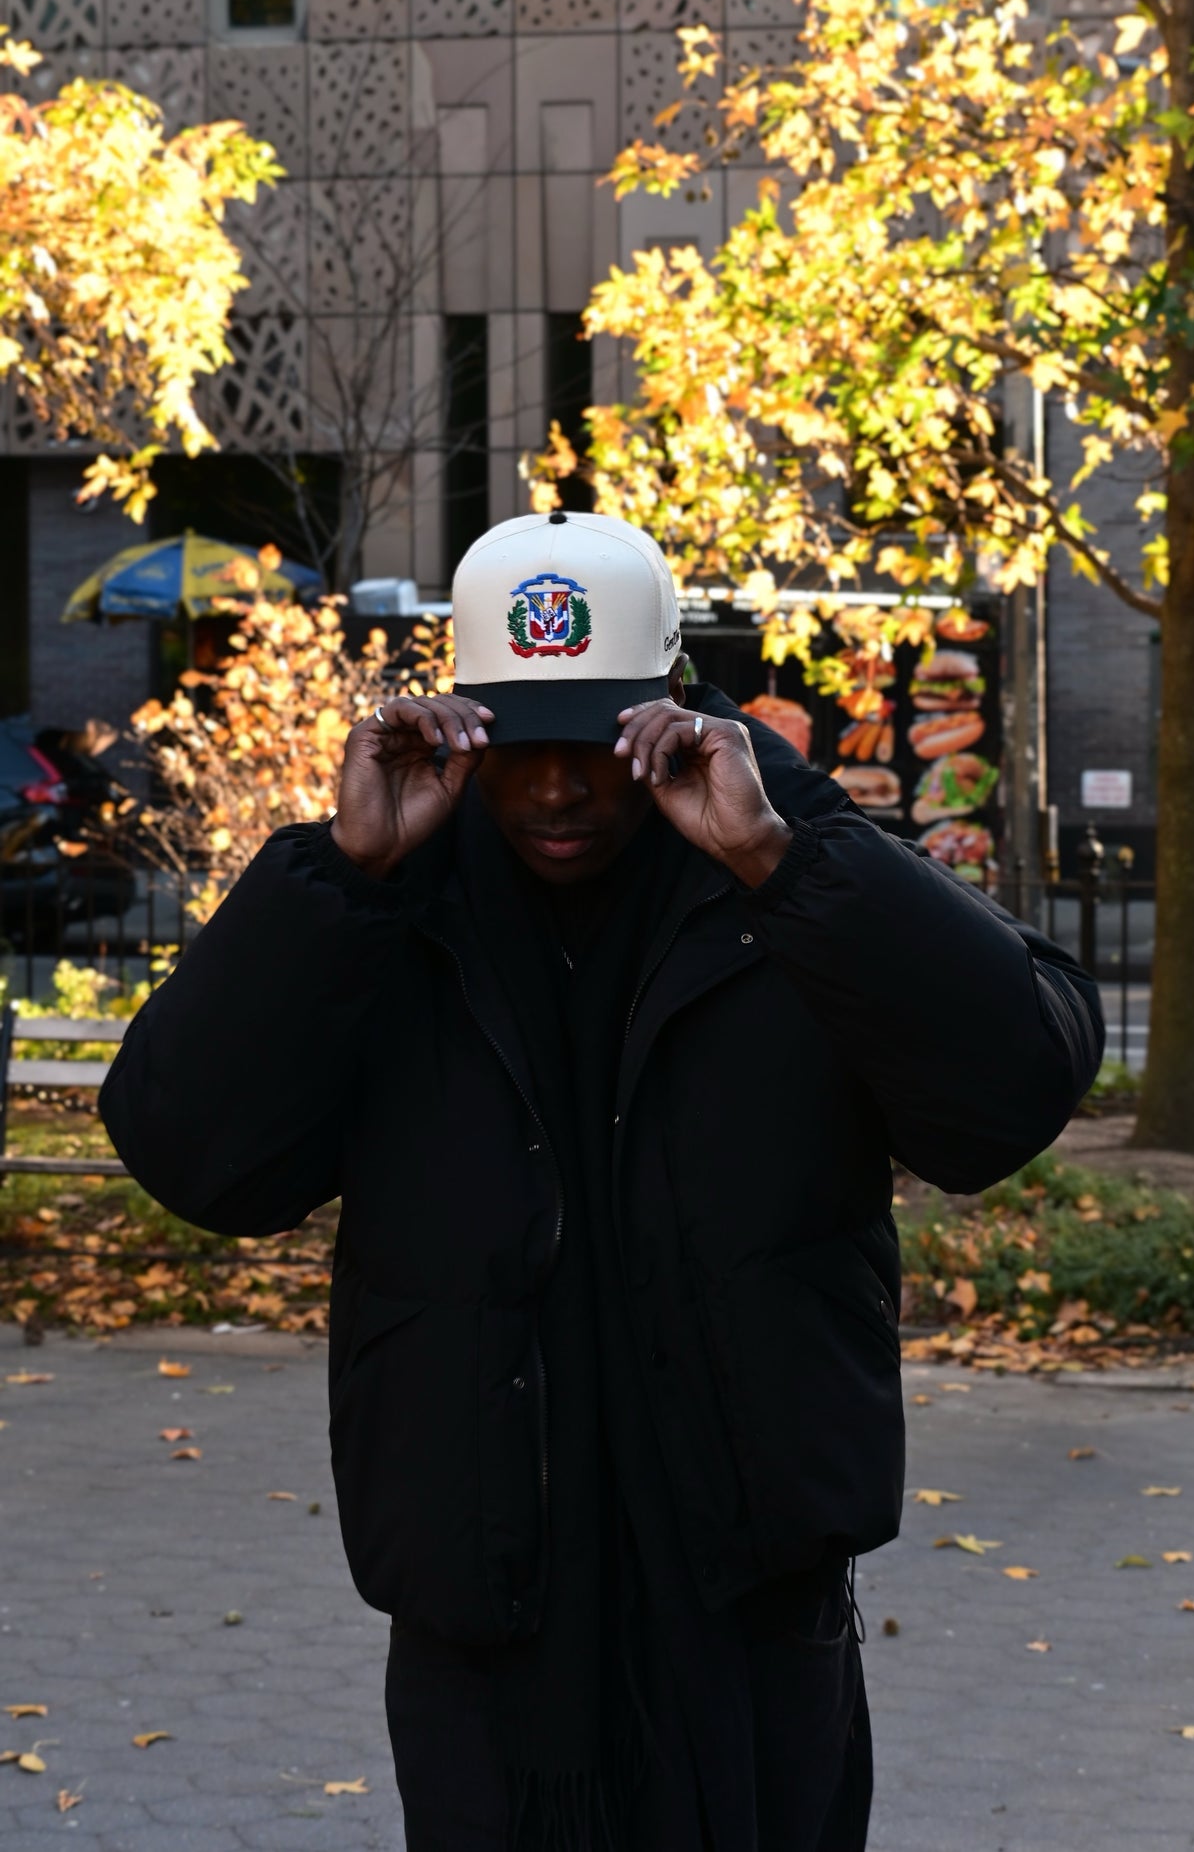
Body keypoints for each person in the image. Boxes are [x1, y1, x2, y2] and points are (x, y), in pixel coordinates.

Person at [101, 510, 1103, 1852]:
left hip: (748, 1595)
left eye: (597, 743)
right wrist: (336, 882)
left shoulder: (785, 854)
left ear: (673, 709)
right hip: (487, 1604)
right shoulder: (386, 886)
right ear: (459, 722)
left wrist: (780, 866)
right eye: (520, 747)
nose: (558, 790)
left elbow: (1009, 1092)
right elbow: (197, 1156)